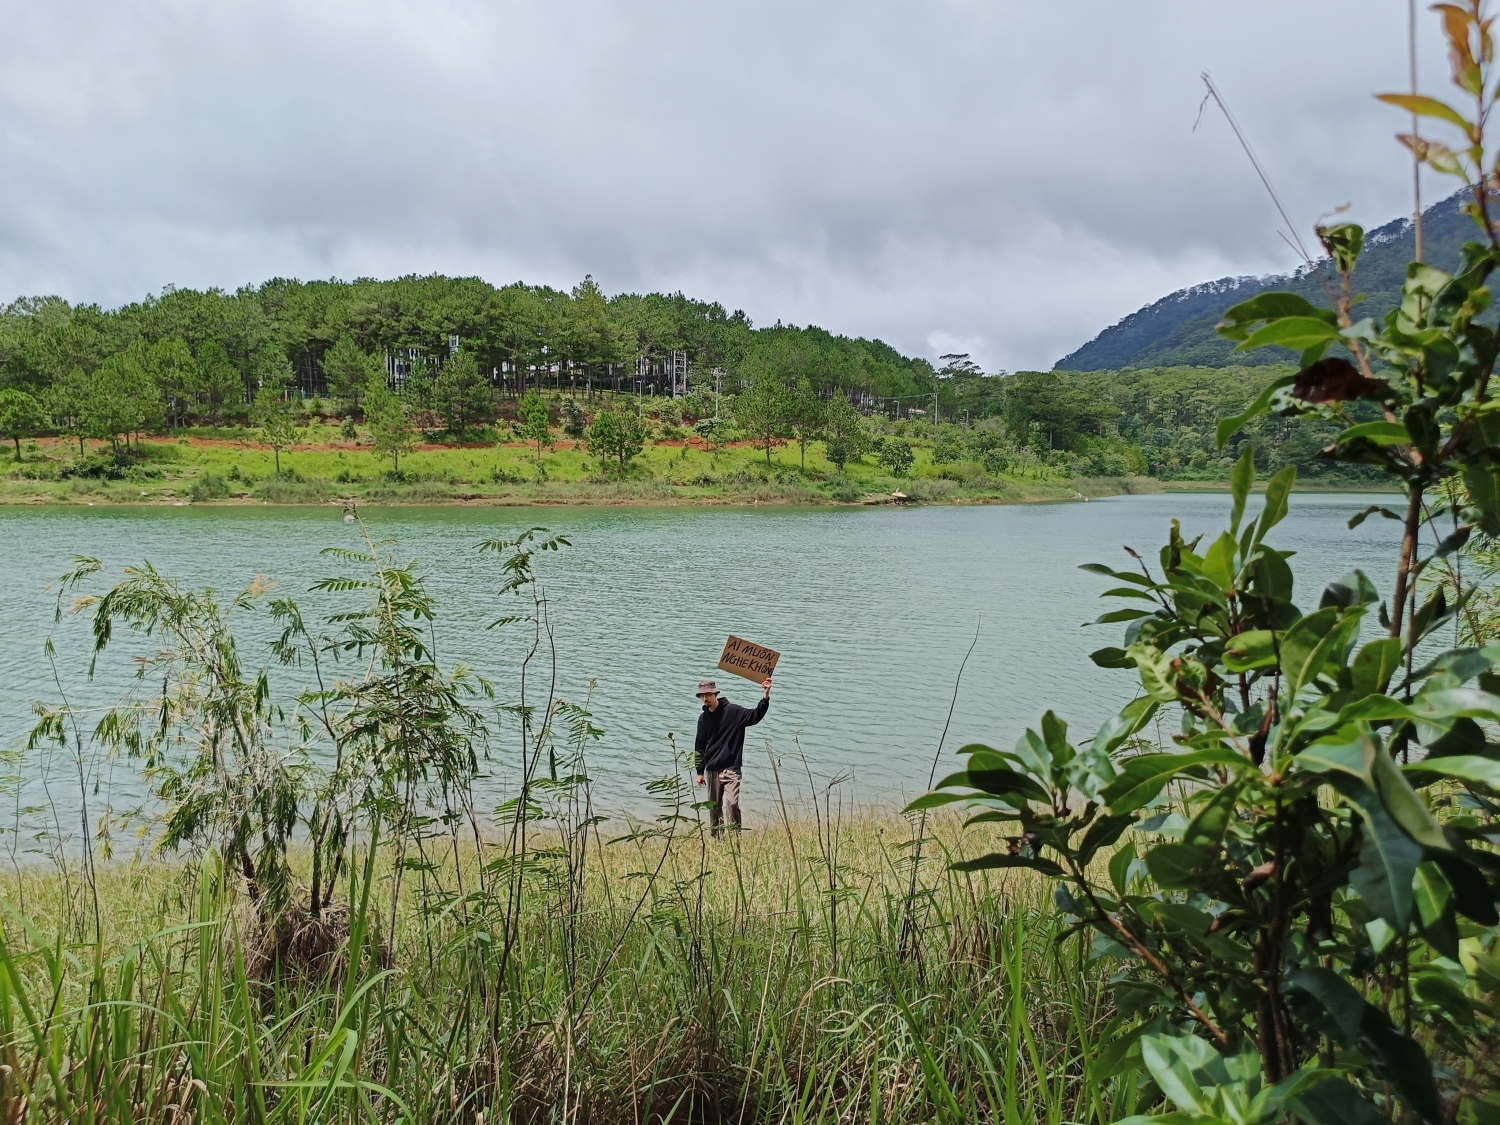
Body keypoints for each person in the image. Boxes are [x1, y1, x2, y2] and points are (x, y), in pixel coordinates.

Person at [694, 676, 771, 835]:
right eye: (702, 696)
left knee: (732, 803)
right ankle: (717, 839)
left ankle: (736, 837)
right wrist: (700, 772)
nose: (705, 698)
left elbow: (755, 716)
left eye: (708, 694)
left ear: (716, 694)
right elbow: (699, 746)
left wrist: (765, 695)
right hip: (712, 770)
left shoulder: (734, 711)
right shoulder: (703, 719)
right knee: (714, 807)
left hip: (731, 768)